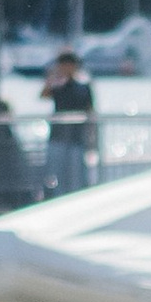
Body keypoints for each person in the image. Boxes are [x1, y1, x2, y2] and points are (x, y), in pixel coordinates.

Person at [39, 46, 98, 193]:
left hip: (77, 138)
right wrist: (54, 76)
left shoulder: (83, 87)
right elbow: (43, 95)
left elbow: (90, 111)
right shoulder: (58, 86)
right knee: (56, 176)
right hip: (58, 137)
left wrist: (92, 136)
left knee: (76, 177)